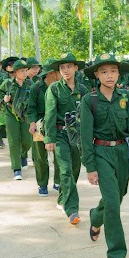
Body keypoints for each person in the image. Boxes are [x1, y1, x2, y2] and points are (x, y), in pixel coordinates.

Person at [81, 54, 129, 258]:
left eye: (113, 71)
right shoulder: (89, 100)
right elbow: (85, 135)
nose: (109, 75)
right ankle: (116, 254)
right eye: (104, 71)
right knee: (113, 203)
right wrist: (90, 166)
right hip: (101, 152)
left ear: (119, 73)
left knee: (118, 196)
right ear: (96, 75)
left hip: (121, 151)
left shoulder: (125, 96)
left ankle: (96, 216)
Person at [44, 52, 88, 225]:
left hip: (77, 135)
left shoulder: (83, 90)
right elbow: (50, 114)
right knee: (65, 170)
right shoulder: (54, 89)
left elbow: (88, 115)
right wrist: (49, 138)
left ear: (76, 68)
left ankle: (63, 198)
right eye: (62, 67)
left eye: (69, 66)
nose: (66, 70)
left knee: (75, 169)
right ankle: (72, 210)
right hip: (60, 134)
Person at [27, 58, 61, 196]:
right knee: (40, 156)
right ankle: (42, 184)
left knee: (59, 154)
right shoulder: (35, 88)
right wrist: (32, 122)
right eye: (59, 71)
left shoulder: (61, 87)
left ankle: (58, 181)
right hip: (40, 125)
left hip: (57, 124)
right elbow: (31, 108)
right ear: (51, 73)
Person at [0, 59, 32, 180]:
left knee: (27, 140)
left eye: (26, 70)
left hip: (25, 116)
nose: (24, 73)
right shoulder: (8, 83)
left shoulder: (30, 84)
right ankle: (17, 169)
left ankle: (23, 154)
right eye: (22, 71)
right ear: (15, 72)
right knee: (13, 141)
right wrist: (4, 98)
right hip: (11, 114)